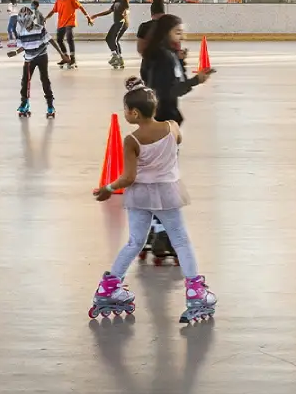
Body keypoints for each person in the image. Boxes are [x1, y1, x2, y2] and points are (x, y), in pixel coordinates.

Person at [89, 80, 216, 324]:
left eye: (126, 109)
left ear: (135, 113)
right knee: (180, 240)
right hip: (167, 193)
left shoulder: (132, 140)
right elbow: (178, 141)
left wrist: (108, 188)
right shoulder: (172, 127)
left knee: (135, 242)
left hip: (139, 195)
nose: (125, 113)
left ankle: (108, 288)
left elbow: (128, 177)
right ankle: (195, 292)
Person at [138, 14, 210, 125]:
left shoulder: (153, 52)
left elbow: (147, 76)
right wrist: (196, 80)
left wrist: (179, 61)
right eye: (177, 33)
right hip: (165, 114)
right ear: (166, 32)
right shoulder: (166, 57)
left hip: (155, 110)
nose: (182, 37)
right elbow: (172, 90)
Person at [6, 1, 57, 118]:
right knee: (25, 81)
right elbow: (24, 46)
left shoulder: (40, 29)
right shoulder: (21, 32)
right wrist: (15, 52)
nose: (26, 27)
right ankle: (24, 103)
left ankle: (50, 105)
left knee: (44, 80)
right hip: (29, 59)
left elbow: (50, 40)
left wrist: (62, 54)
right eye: (23, 24)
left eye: (27, 24)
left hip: (41, 56)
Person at [51, 0, 92, 68]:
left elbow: (80, 7)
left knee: (69, 36)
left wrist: (87, 16)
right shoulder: (58, 0)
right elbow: (53, 10)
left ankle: (73, 58)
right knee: (59, 39)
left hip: (70, 21)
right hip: (61, 23)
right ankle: (66, 57)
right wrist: (45, 18)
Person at [90, 0, 130, 69]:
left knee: (115, 40)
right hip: (117, 23)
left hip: (122, 22)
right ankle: (115, 56)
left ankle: (119, 58)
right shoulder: (116, 2)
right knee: (108, 39)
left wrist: (125, 15)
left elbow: (127, 9)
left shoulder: (123, 0)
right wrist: (96, 15)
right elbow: (109, 11)